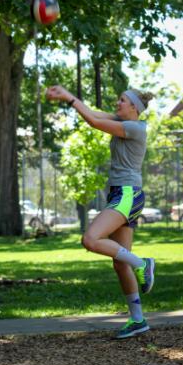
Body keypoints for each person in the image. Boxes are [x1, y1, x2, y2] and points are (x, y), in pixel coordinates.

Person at [45, 84, 155, 339]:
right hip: (122, 194)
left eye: (121, 100)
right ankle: (138, 320)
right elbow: (94, 113)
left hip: (128, 194)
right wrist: (67, 97)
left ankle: (143, 263)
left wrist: (69, 99)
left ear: (134, 108)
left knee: (91, 239)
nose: (117, 103)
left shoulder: (134, 128)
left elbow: (94, 122)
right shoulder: (121, 120)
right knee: (120, 262)